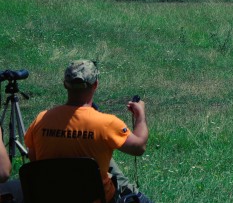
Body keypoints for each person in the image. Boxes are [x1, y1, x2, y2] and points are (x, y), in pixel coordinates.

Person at [24, 60, 150, 203]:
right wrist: (140, 116)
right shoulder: (107, 124)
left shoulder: (41, 119)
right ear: (95, 84)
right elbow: (139, 147)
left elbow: (34, 158)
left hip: (51, 197)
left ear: (65, 84)